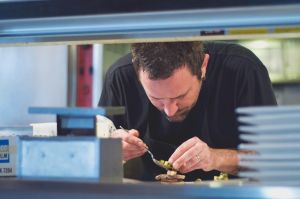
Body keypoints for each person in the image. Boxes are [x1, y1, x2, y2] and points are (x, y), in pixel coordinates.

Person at [98, 41, 277, 181]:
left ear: (203, 66)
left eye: (180, 96)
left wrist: (215, 158)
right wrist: (110, 150)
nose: (169, 111)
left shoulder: (242, 70)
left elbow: (273, 159)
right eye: (157, 99)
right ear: (137, 73)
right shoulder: (120, 77)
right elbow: (88, 155)